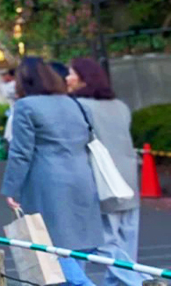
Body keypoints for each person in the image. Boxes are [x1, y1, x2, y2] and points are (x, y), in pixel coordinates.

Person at [1, 58, 103, 286]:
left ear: (24, 80)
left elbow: (21, 152)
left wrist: (11, 188)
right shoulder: (76, 104)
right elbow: (89, 139)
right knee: (75, 244)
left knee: (50, 246)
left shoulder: (26, 106)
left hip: (47, 181)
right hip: (82, 177)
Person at [68, 58, 146, 286]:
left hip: (101, 182)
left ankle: (143, 283)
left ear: (83, 78)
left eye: (71, 73)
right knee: (126, 246)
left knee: (105, 245)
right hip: (129, 180)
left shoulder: (79, 106)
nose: (67, 78)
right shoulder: (120, 106)